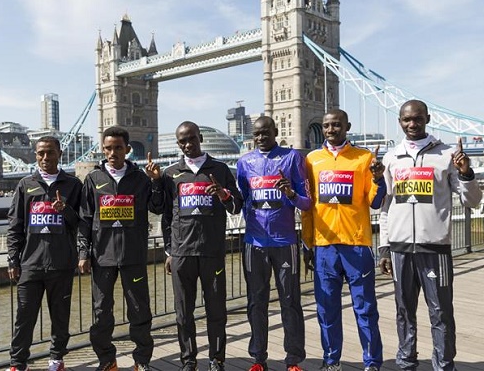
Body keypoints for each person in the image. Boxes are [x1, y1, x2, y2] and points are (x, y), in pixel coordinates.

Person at [378, 99, 482, 371]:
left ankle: (444, 366)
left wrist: (466, 173)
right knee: (403, 312)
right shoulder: (391, 157)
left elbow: (471, 201)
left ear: (427, 118)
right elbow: (386, 207)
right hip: (400, 250)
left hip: (435, 250)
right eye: (406, 119)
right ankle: (405, 363)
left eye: (417, 118)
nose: (412, 124)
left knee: (441, 313)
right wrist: (384, 247)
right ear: (400, 121)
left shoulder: (446, 154)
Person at [301, 109, 386, 371]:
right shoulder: (311, 160)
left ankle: (371, 363)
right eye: (326, 126)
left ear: (347, 126)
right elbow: (307, 207)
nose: (330, 130)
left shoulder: (364, 158)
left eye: (336, 125)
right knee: (326, 310)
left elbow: (374, 200)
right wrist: (307, 243)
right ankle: (331, 362)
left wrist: (378, 177)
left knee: (365, 309)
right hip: (324, 246)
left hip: (357, 245)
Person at [77, 127, 164, 371]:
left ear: (128, 149)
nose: (112, 152)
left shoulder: (140, 179)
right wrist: (83, 253)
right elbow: (85, 218)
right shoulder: (93, 179)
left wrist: (156, 181)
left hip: (132, 255)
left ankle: (142, 361)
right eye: (108, 148)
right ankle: (107, 360)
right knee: (101, 312)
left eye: (117, 147)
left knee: (139, 311)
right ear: (103, 150)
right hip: (102, 257)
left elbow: (157, 207)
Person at [160, 121, 243, 371]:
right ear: (178, 144)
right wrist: (168, 251)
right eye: (183, 141)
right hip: (182, 253)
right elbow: (165, 215)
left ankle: (216, 359)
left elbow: (237, 205)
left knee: (216, 310)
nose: (188, 145)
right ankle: (188, 360)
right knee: (183, 313)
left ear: (200, 138)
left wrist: (224, 195)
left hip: (212, 251)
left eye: (192, 139)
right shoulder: (170, 173)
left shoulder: (219, 169)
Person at [235, 116, 311, 371]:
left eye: (265, 132)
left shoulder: (292, 158)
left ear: (275, 132)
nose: (260, 137)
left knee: (290, 300)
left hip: (285, 241)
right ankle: (258, 359)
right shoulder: (244, 162)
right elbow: (244, 201)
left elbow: (307, 202)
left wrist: (290, 194)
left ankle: (293, 360)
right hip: (254, 242)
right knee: (256, 301)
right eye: (256, 134)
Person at [6, 136, 83, 371]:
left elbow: (82, 223)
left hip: (61, 263)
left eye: (50, 153)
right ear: (35, 155)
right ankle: (18, 364)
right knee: (24, 318)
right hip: (30, 263)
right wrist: (13, 258)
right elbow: (14, 224)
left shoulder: (73, 185)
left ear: (60, 154)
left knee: (60, 317)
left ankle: (56, 360)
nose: (45, 158)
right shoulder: (25, 185)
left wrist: (66, 210)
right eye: (40, 153)